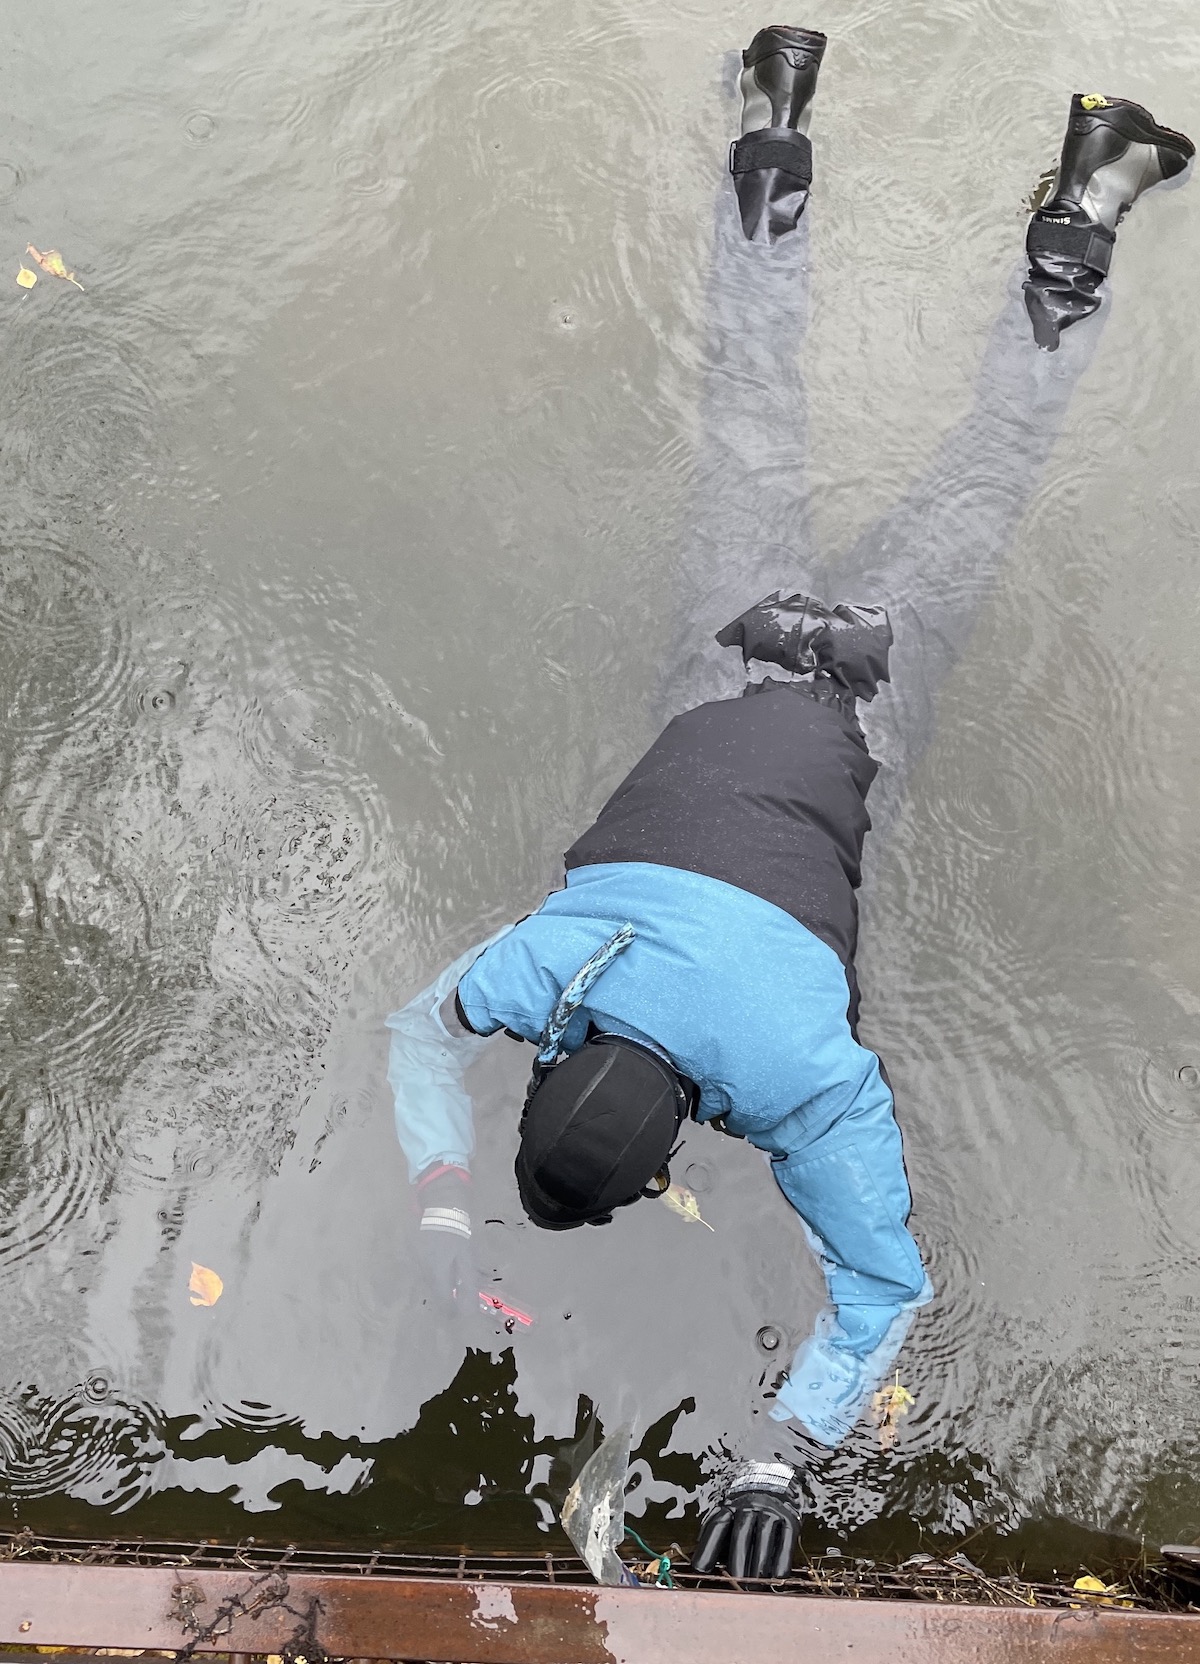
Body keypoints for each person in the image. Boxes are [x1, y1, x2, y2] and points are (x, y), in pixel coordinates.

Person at [387, 25, 1193, 1581]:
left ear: (685, 1132)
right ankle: (777, 108)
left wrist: (782, 1446)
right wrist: (434, 1194)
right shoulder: (557, 963)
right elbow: (420, 1029)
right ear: (568, 1055)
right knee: (751, 394)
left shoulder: (812, 1084)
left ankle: (1094, 196)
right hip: (731, 643)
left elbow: (888, 1293)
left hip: (866, 692)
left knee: (988, 464)